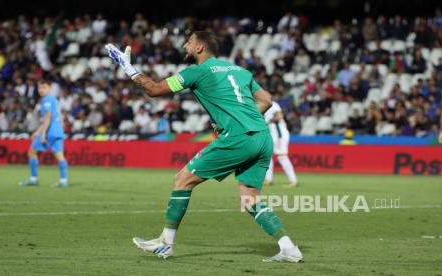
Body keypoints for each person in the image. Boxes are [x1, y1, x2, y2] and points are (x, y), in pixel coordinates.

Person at [105, 31, 302, 262]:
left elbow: (154, 90)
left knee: (182, 180)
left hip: (238, 138)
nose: (185, 46)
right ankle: (288, 248)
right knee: (250, 199)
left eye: (189, 42)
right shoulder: (239, 70)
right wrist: (241, 120)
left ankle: (165, 243)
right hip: (262, 137)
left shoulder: (196, 71)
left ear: (199, 47)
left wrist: (128, 68)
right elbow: (266, 100)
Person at [19, 80, 69, 188]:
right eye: (40, 88)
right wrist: (37, 131)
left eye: (44, 87)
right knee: (60, 156)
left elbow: (48, 117)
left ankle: (33, 179)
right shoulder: (53, 100)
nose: (41, 90)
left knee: (32, 152)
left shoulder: (46, 100)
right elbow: (50, 118)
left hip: (49, 132)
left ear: (50, 88)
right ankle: (64, 181)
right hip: (58, 131)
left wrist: (43, 134)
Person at [263, 101, 298, 187]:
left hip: (279, 135)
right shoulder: (263, 106)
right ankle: (268, 179)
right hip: (273, 135)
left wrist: (269, 120)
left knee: (282, 156)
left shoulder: (273, 104)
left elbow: (279, 116)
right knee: (268, 156)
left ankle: (293, 180)